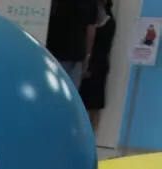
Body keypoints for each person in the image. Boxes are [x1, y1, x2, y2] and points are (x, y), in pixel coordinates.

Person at [80, 0, 117, 132]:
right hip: (90, 64)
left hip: (97, 65)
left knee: (93, 105)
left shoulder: (108, 21)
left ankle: (91, 133)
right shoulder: (89, 14)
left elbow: (102, 46)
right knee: (84, 103)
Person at [47, 0, 99, 88]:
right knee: (71, 91)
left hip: (53, 52)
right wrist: (87, 56)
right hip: (76, 54)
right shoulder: (89, 2)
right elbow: (90, 31)